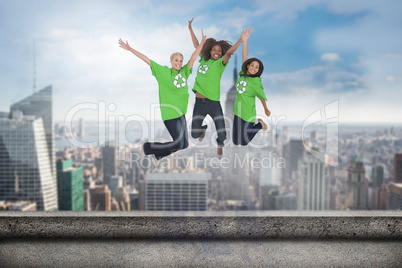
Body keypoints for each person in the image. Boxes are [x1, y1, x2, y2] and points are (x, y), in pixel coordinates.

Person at [118, 30, 206, 160]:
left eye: (181, 61)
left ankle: (159, 155)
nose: (179, 63)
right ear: (171, 61)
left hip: (181, 113)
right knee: (178, 143)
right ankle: (148, 147)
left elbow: (193, 57)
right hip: (170, 114)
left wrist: (202, 44)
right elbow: (146, 59)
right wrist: (130, 49)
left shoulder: (185, 72)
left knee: (184, 144)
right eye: (176, 60)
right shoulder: (163, 72)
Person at [188, 18, 251, 156]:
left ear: (221, 53)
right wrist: (190, 28)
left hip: (213, 103)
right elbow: (196, 44)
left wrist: (241, 40)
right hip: (199, 103)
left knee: (222, 133)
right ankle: (203, 129)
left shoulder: (220, 64)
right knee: (194, 133)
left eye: (219, 50)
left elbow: (229, 53)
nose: (216, 52)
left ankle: (220, 143)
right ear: (209, 52)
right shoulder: (204, 60)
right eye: (214, 50)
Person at [232, 28, 271, 146]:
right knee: (235, 141)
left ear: (259, 70)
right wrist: (245, 41)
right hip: (237, 111)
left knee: (243, 142)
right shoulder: (242, 74)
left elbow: (261, 97)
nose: (254, 68)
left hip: (248, 115)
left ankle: (259, 125)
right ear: (248, 66)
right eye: (252, 65)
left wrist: (265, 109)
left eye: (257, 67)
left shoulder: (255, 82)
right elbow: (245, 55)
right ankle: (258, 125)